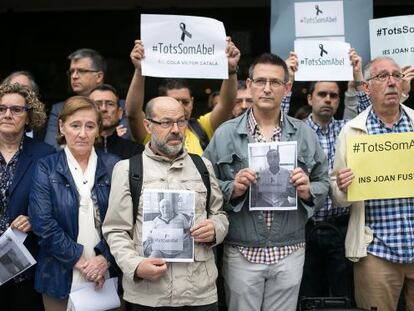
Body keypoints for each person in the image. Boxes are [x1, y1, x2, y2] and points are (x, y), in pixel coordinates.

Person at [203, 53, 329, 311]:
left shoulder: (303, 132)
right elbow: (205, 184)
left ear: (287, 87)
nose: (267, 88)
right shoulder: (226, 132)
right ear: (248, 85)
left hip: (290, 247)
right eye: (260, 81)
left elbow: (323, 181)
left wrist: (307, 191)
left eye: (275, 82)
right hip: (241, 248)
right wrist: (233, 188)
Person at [102, 96, 229, 310]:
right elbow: (115, 230)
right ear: (147, 125)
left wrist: (215, 229)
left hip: (199, 293)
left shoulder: (202, 166)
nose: (176, 129)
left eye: (181, 121)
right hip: (149, 294)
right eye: (166, 123)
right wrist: (135, 265)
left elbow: (220, 215)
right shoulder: (128, 169)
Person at [331, 56, 414, 311]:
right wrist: (343, 186)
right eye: (382, 76)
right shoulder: (351, 131)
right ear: (366, 87)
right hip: (376, 250)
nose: (391, 82)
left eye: (396, 75)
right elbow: (336, 192)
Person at [28, 96, 119, 311]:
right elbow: (42, 222)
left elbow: (125, 221)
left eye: (90, 126)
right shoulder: (46, 167)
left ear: (98, 129)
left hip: (107, 272)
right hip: (58, 274)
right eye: (75, 125)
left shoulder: (115, 165)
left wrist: (103, 259)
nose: (82, 133)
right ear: (61, 126)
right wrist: (80, 261)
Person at [125, 38, 240, 155]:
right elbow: (133, 113)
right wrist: (140, 70)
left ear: (192, 102)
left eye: (185, 102)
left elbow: (226, 105)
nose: (180, 107)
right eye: (174, 101)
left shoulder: (201, 128)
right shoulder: (150, 130)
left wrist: (231, 70)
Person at [0, 83, 55, 311]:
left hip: (25, 267)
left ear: (29, 116)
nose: (7, 115)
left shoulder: (46, 155)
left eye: (16, 109)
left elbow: (58, 206)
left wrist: (35, 219)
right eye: (1, 108)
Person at [44, 48, 129, 148]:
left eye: (81, 71)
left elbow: (124, 140)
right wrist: (104, 135)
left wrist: (71, 140)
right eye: (71, 71)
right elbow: (52, 147)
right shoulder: (59, 109)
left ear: (99, 77)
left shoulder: (123, 106)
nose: (74, 76)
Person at [89, 84, 143, 159]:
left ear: (120, 113)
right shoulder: (77, 149)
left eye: (110, 104)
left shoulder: (135, 151)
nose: (103, 109)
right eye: (97, 104)